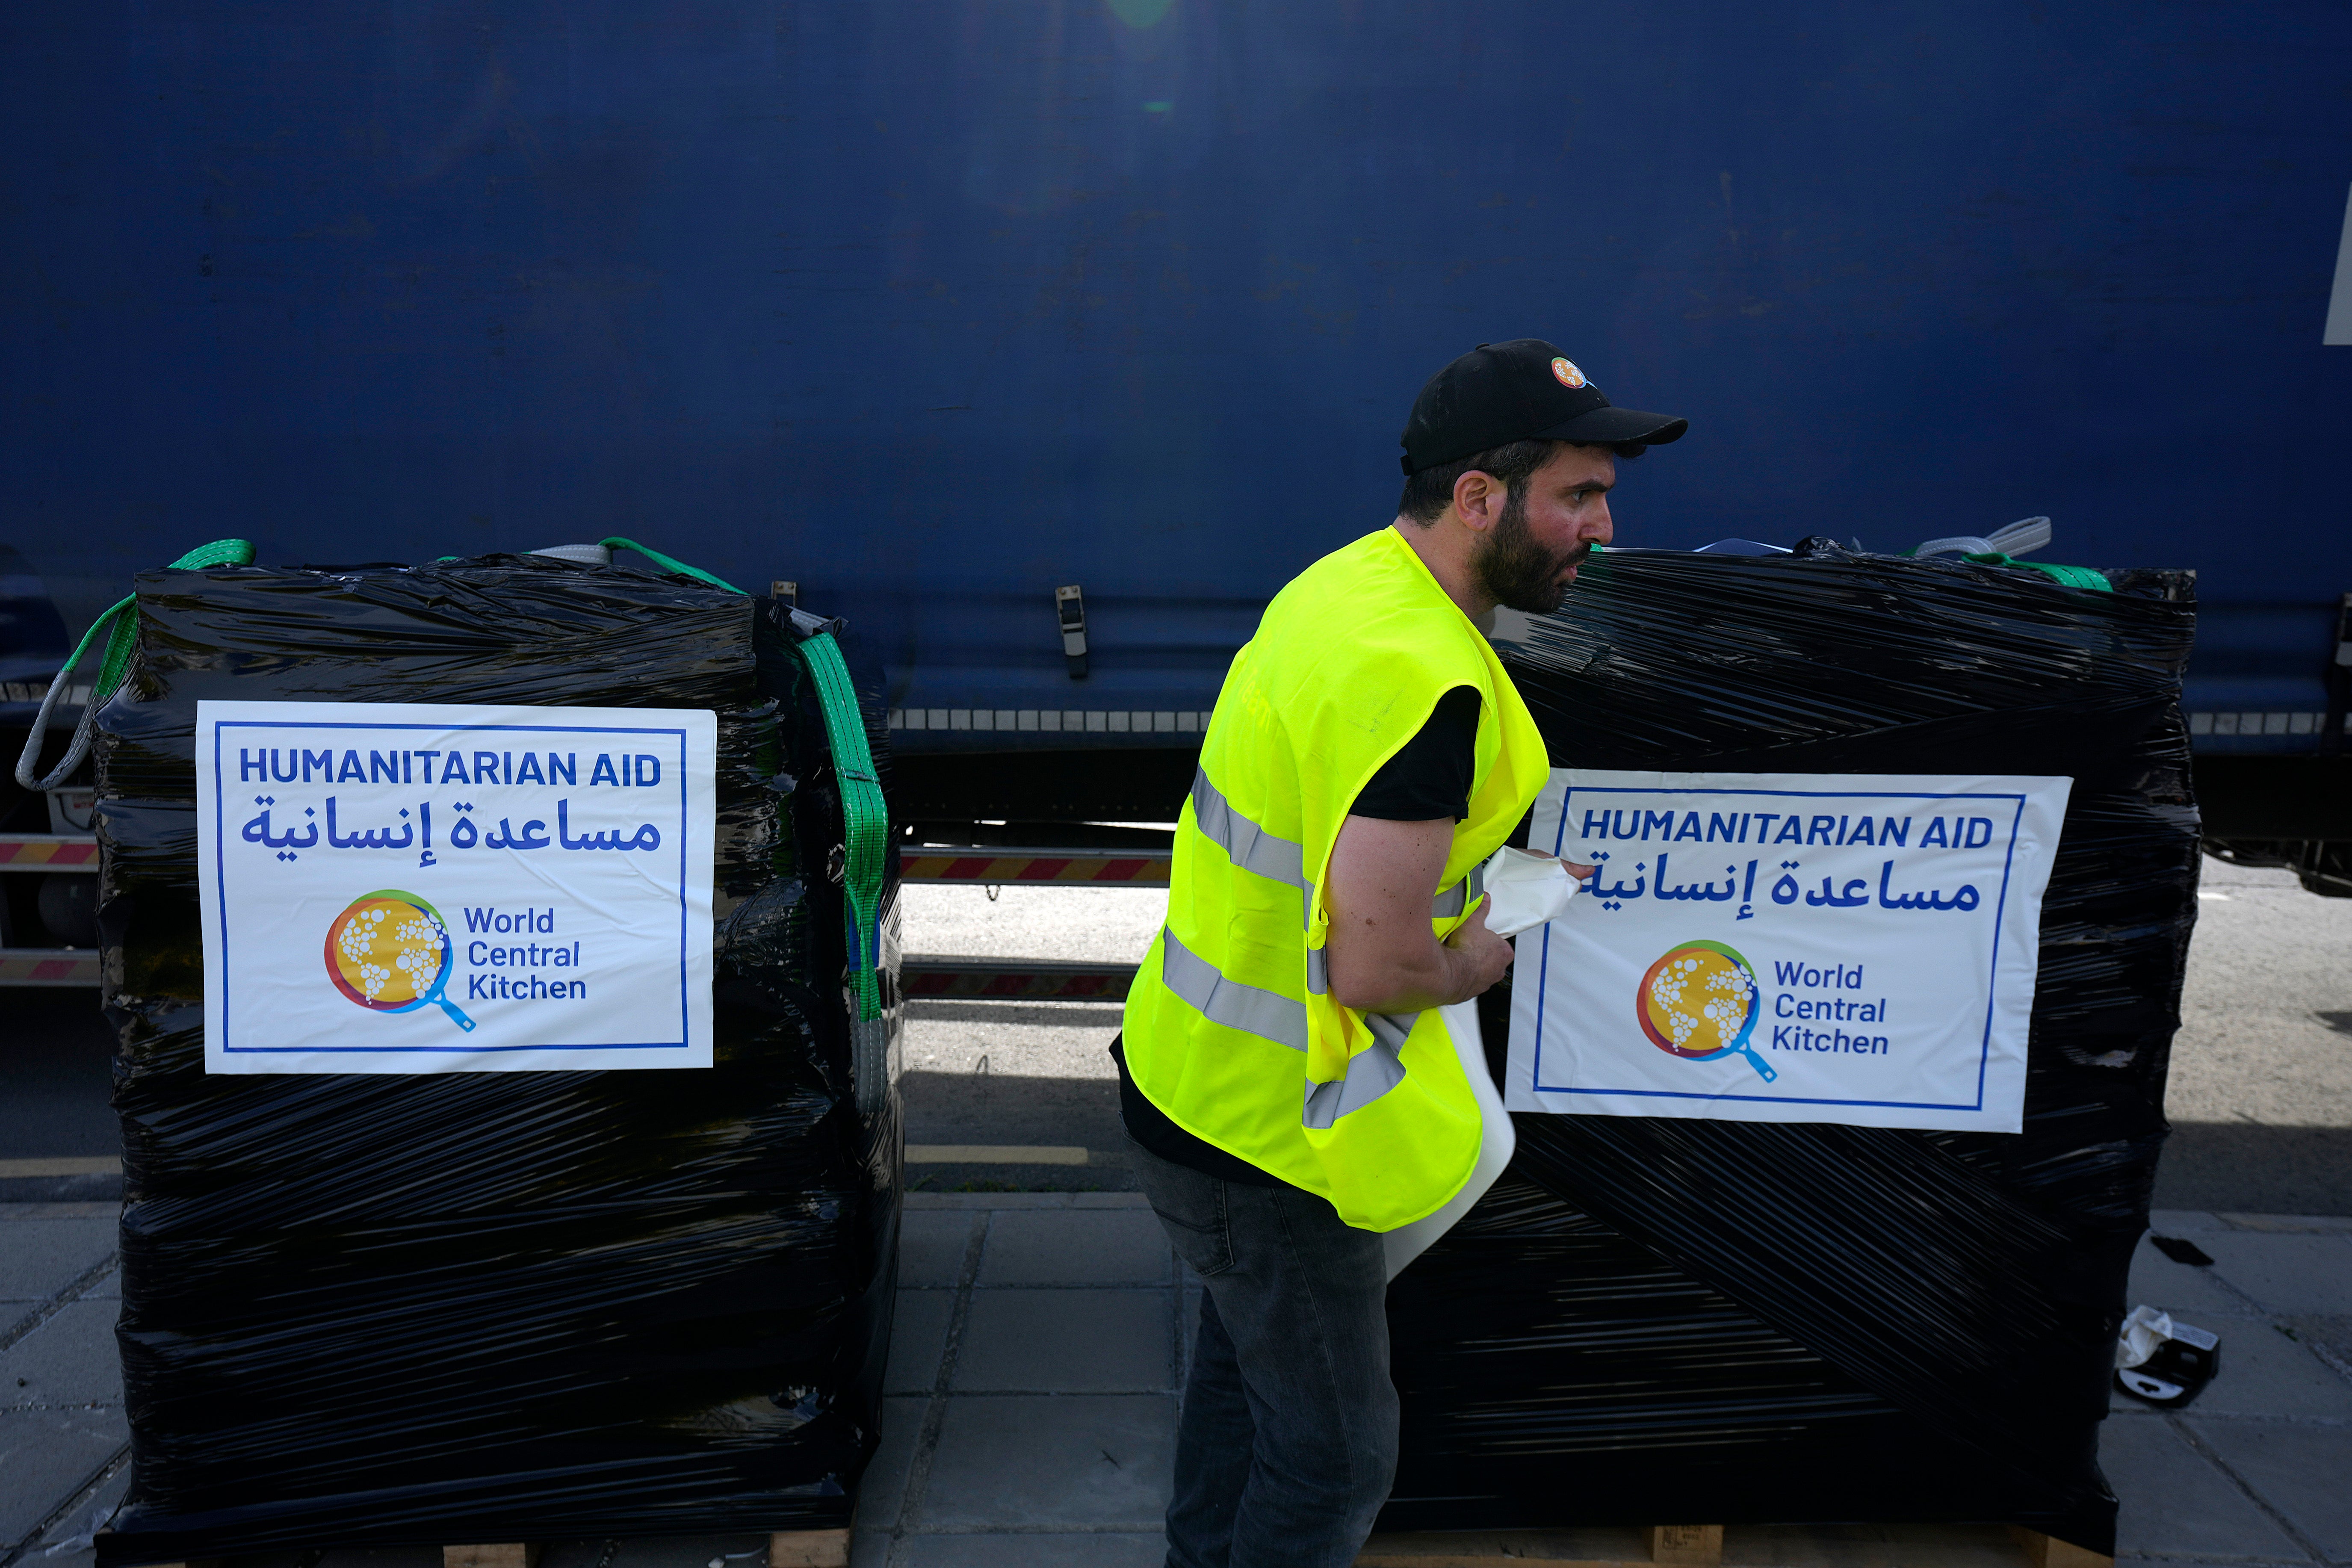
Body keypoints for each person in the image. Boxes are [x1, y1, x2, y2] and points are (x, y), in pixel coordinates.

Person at [1112, 339, 1687, 1568]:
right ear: (1479, 496)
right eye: (1577, 496)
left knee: (1244, 1389)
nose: (1601, 526)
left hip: (1196, 1080)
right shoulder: (1426, 683)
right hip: (1271, 1138)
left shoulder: (1348, 586)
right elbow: (1373, 970)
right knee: (1330, 1458)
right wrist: (1477, 953)